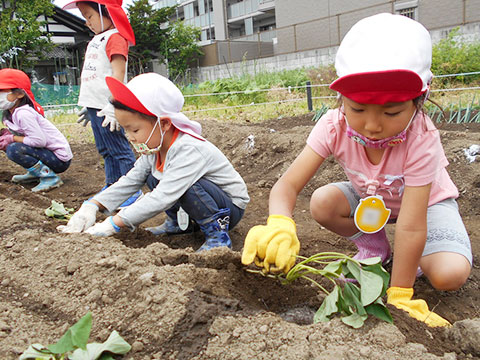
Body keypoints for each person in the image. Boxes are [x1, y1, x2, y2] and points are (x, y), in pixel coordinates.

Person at [241, 13, 472, 327]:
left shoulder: (422, 138)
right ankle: (376, 247)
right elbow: (287, 186)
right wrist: (280, 224)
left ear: (422, 96)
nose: (373, 125)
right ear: (340, 99)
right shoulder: (333, 126)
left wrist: (400, 291)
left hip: (426, 205)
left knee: (449, 274)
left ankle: (409, 263)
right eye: (358, 109)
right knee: (322, 202)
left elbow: (412, 224)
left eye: (392, 111)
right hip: (373, 200)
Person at [58, 72, 250, 251]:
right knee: (152, 176)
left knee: (186, 186)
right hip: (205, 199)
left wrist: (113, 223)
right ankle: (176, 224)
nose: (129, 137)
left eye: (134, 130)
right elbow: (130, 180)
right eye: (126, 130)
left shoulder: (188, 149)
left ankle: (218, 237)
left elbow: (163, 197)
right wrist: (92, 205)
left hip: (228, 209)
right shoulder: (154, 148)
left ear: (164, 123)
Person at [63, 0, 140, 206]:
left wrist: (115, 104)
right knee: (105, 149)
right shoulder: (99, 39)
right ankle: (112, 185)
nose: (87, 22)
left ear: (105, 12)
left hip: (108, 107)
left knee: (119, 149)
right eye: (85, 18)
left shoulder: (115, 37)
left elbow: (118, 74)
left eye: (89, 16)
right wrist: (90, 105)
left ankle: (131, 190)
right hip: (96, 106)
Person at [0, 68, 72, 192]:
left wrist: (12, 138)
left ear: (20, 94)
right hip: (47, 153)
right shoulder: (9, 113)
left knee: (14, 149)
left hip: (59, 159)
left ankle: (49, 178)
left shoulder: (23, 113)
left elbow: (39, 141)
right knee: (13, 146)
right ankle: (36, 173)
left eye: (2, 91)